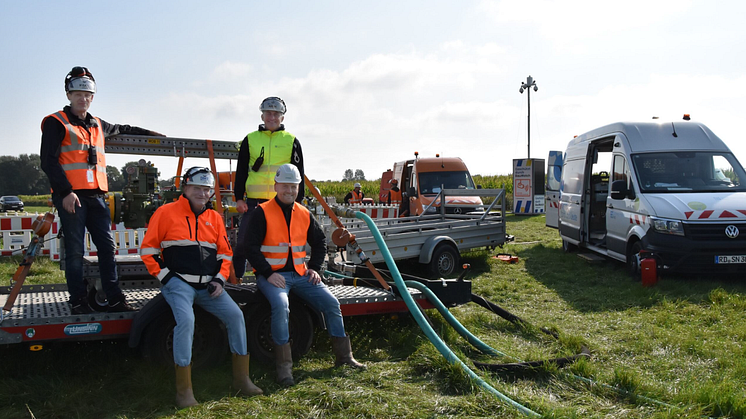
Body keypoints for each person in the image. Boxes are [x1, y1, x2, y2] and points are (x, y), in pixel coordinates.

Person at [40, 66, 163, 314]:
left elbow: (123, 128)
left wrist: (151, 135)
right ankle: (78, 302)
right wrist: (64, 192)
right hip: (72, 197)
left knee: (108, 249)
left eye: (87, 95)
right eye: (77, 94)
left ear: (92, 97)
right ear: (68, 95)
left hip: (97, 196)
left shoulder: (97, 124)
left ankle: (115, 298)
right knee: (75, 252)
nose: (82, 99)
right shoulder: (56, 123)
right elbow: (48, 161)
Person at [140, 167, 263, 408]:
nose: (202, 193)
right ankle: (184, 391)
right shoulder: (165, 213)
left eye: (206, 189)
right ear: (185, 188)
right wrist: (167, 279)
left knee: (236, 316)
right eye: (197, 188)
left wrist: (219, 280)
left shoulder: (214, 218)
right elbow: (148, 251)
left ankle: (242, 379)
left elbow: (225, 254)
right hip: (178, 285)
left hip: (209, 286)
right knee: (186, 321)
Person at [245, 164, 364, 386]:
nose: (289, 191)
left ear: (298, 188)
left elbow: (319, 242)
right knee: (281, 306)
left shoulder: (303, 213)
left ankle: (344, 358)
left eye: (293, 186)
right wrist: (268, 273)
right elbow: (249, 246)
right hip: (272, 277)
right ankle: (284, 369)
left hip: (300, 275)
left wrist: (314, 268)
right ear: (276, 186)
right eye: (285, 186)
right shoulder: (262, 212)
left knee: (331, 303)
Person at [233, 97, 305, 279]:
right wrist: (239, 198)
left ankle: (284, 280)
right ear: (262, 115)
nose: (272, 117)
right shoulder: (250, 140)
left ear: (282, 117)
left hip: (280, 204)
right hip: (254, 203)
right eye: (268, 114)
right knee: (242, 245)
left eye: (276, 114)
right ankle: (236, 282)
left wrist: (298, 203)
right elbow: (241, 170)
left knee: (281, 246)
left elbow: (299, 175)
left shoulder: (292, 141)